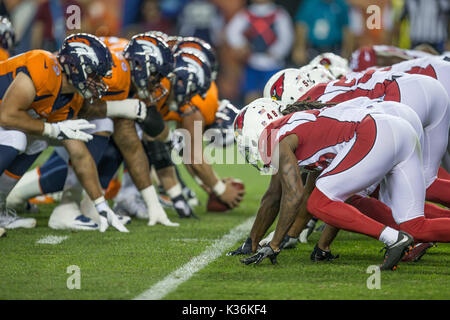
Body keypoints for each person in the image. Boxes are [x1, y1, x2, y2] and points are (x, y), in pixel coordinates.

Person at [231, 97, 424, 270]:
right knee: (416, 225)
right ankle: (405, 236)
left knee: (318, 202)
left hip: (375, 132)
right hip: (394, 127)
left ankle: (393, 238)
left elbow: (294, 195)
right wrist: (322, 245)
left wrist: (274, 245)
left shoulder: (282, 140)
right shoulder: (299, 126)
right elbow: (333, 196)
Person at [0, 33, 134, 231]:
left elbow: (80, 155)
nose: (96, 82)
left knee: (35, 141)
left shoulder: (70, 97)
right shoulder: (43, 65)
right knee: (17, 137)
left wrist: (99, 204)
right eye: (93, 74)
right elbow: (7, 116)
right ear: (74, 66)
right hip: (4, 114)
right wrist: (52, 129)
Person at [225, 0, 294, 105]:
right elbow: (232, 31)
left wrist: (277, 51)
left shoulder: (278, 14)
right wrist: (241, 45)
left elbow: (287, 36)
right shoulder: (247, 14)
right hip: (252, 63)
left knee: (275, 97)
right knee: (251, 97)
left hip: (273, 65)